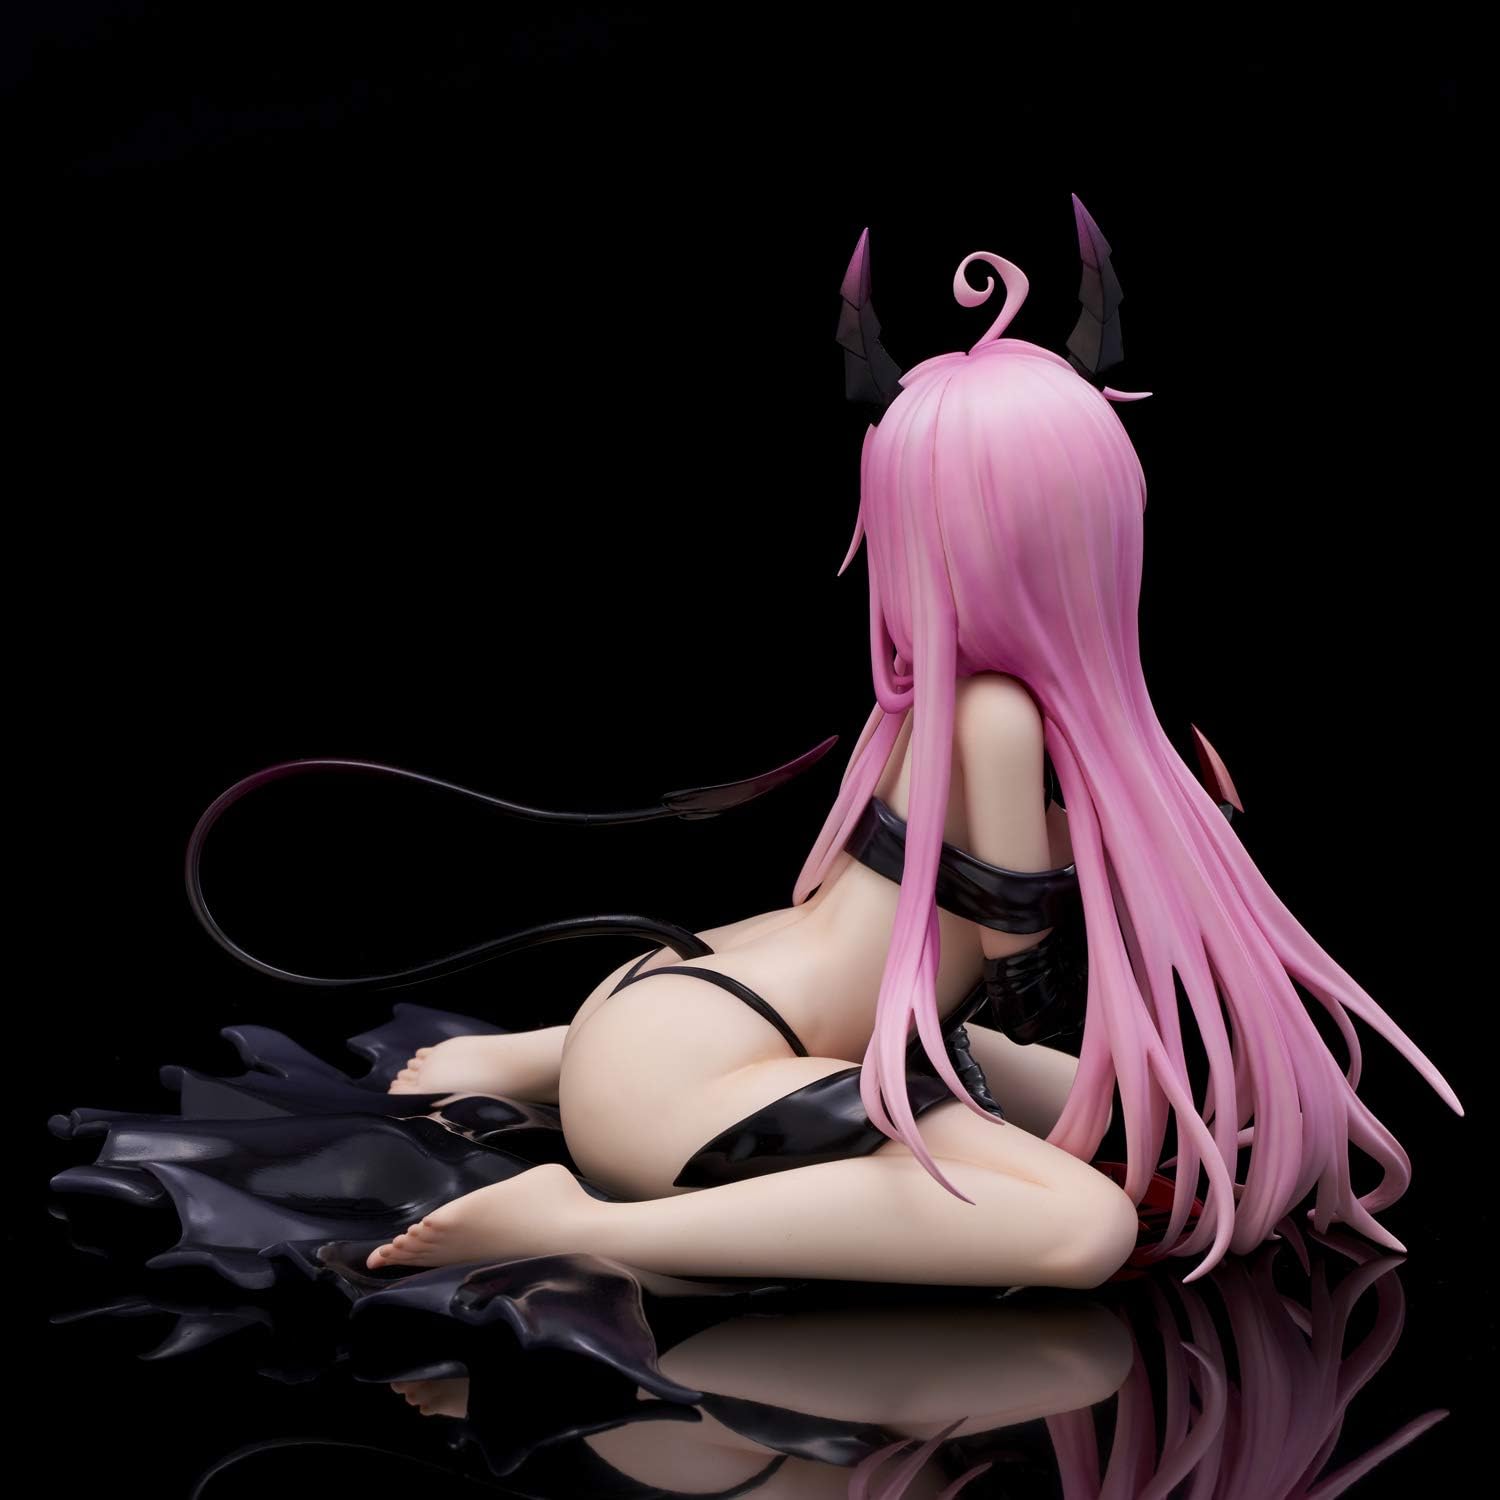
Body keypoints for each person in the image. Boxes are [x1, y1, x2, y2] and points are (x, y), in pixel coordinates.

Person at [356, 201, 1462, 1287]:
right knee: (1080, 1229)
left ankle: (549, 1055)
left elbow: (885, 944)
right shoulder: (995, 716)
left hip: (686, 1010)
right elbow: (1025, 991)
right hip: (692, 1079)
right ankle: (579, 1223)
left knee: (1136, 1111)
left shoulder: (933, 705)